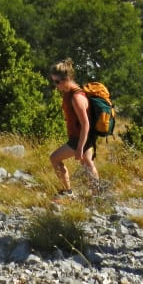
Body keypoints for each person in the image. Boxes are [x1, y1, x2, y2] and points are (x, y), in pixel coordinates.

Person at [48, 58, 100, 198]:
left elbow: (85, 124)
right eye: (54, 81)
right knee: (87, 163)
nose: (56, 85)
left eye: (58, 81)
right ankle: (97, 196)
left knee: (55, 158)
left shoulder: (76, 97)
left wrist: (80, 148)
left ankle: (68, 192)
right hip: (84, 136)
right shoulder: (68, 93)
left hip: (80, 137)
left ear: (68, 78)